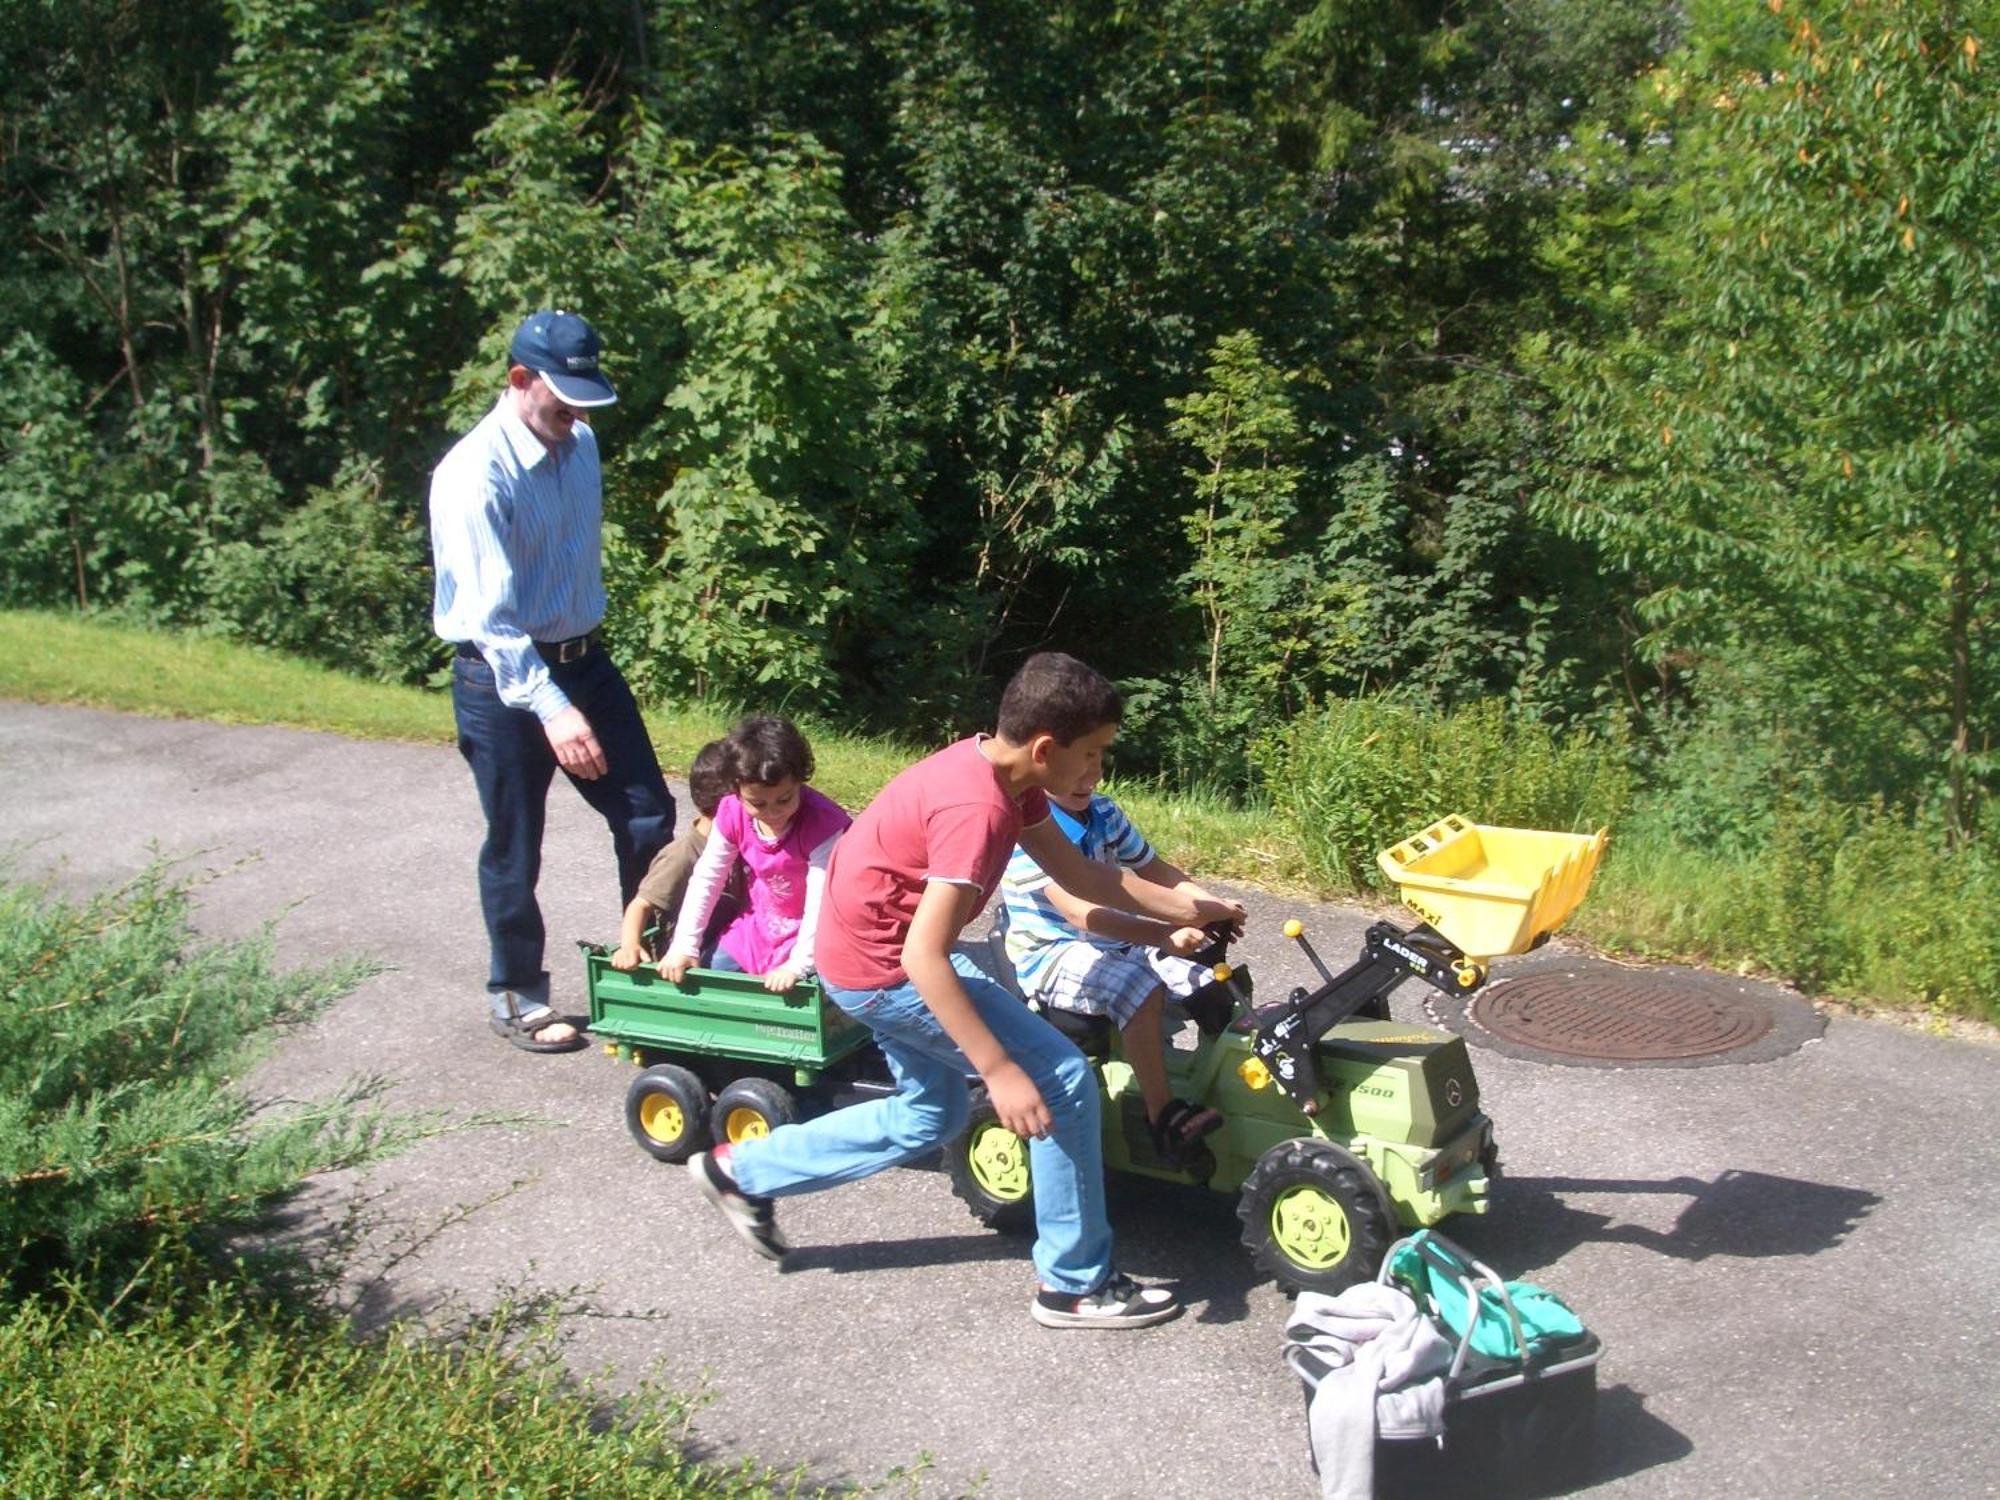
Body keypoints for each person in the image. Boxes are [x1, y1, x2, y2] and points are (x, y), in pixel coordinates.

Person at [687, 653, 1246, 1330]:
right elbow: (925, 956)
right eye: (1093, 755)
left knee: (931, 1114)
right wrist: (1000, 1070)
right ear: (1046, 747)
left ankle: (741, 1171)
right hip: (886, 968)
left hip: (864, 955)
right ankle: (1073, 1286)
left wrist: (1189, 910)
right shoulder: (977, 811)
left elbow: (1088, 877)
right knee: (1059, 1077)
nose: (1097, 772)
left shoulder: (1007, 774)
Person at [429, 308, 674, 1053]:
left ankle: (653, 970)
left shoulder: (581, 440)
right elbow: (492, 622)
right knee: (516, 841)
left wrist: (575, 688)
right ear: (518, 380)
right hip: (501, 680)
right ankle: (517, 993)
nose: (575, 415)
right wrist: (553, 710)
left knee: (648, 818)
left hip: (586, 663)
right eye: (562, 399)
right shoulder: (473, 477)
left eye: (585, 400)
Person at [998, 781, 1241, 1167]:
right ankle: (1163, 1117)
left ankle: (1230, 1091)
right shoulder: (1027, 831)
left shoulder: (1105, 813)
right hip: (1053, 954)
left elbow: (1155, 870)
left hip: (1113, 944)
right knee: (1137, 986)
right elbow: (1080, 914)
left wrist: (1212, 907)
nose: (1087, 774)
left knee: (1211, 985)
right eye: (1077, 761)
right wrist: (1163, 932)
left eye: (1096, 759)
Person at [660, 716, 850, 993]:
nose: (773, 812)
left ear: (799, 781)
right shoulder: (731, 812)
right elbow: (707, 878)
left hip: (817, 931)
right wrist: (684, 944)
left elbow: (821, 901)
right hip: (760, 927)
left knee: (805, 995)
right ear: (736, 791)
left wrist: (799, 965)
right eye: (757, 803)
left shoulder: (823, 823)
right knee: (706, 977)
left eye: (784, 799)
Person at [609, 740, 741, 972]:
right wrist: (629, 944)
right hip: (687, 960)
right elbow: (640, 905)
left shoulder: (743, 842)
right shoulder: (682, 855)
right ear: (729, 808)